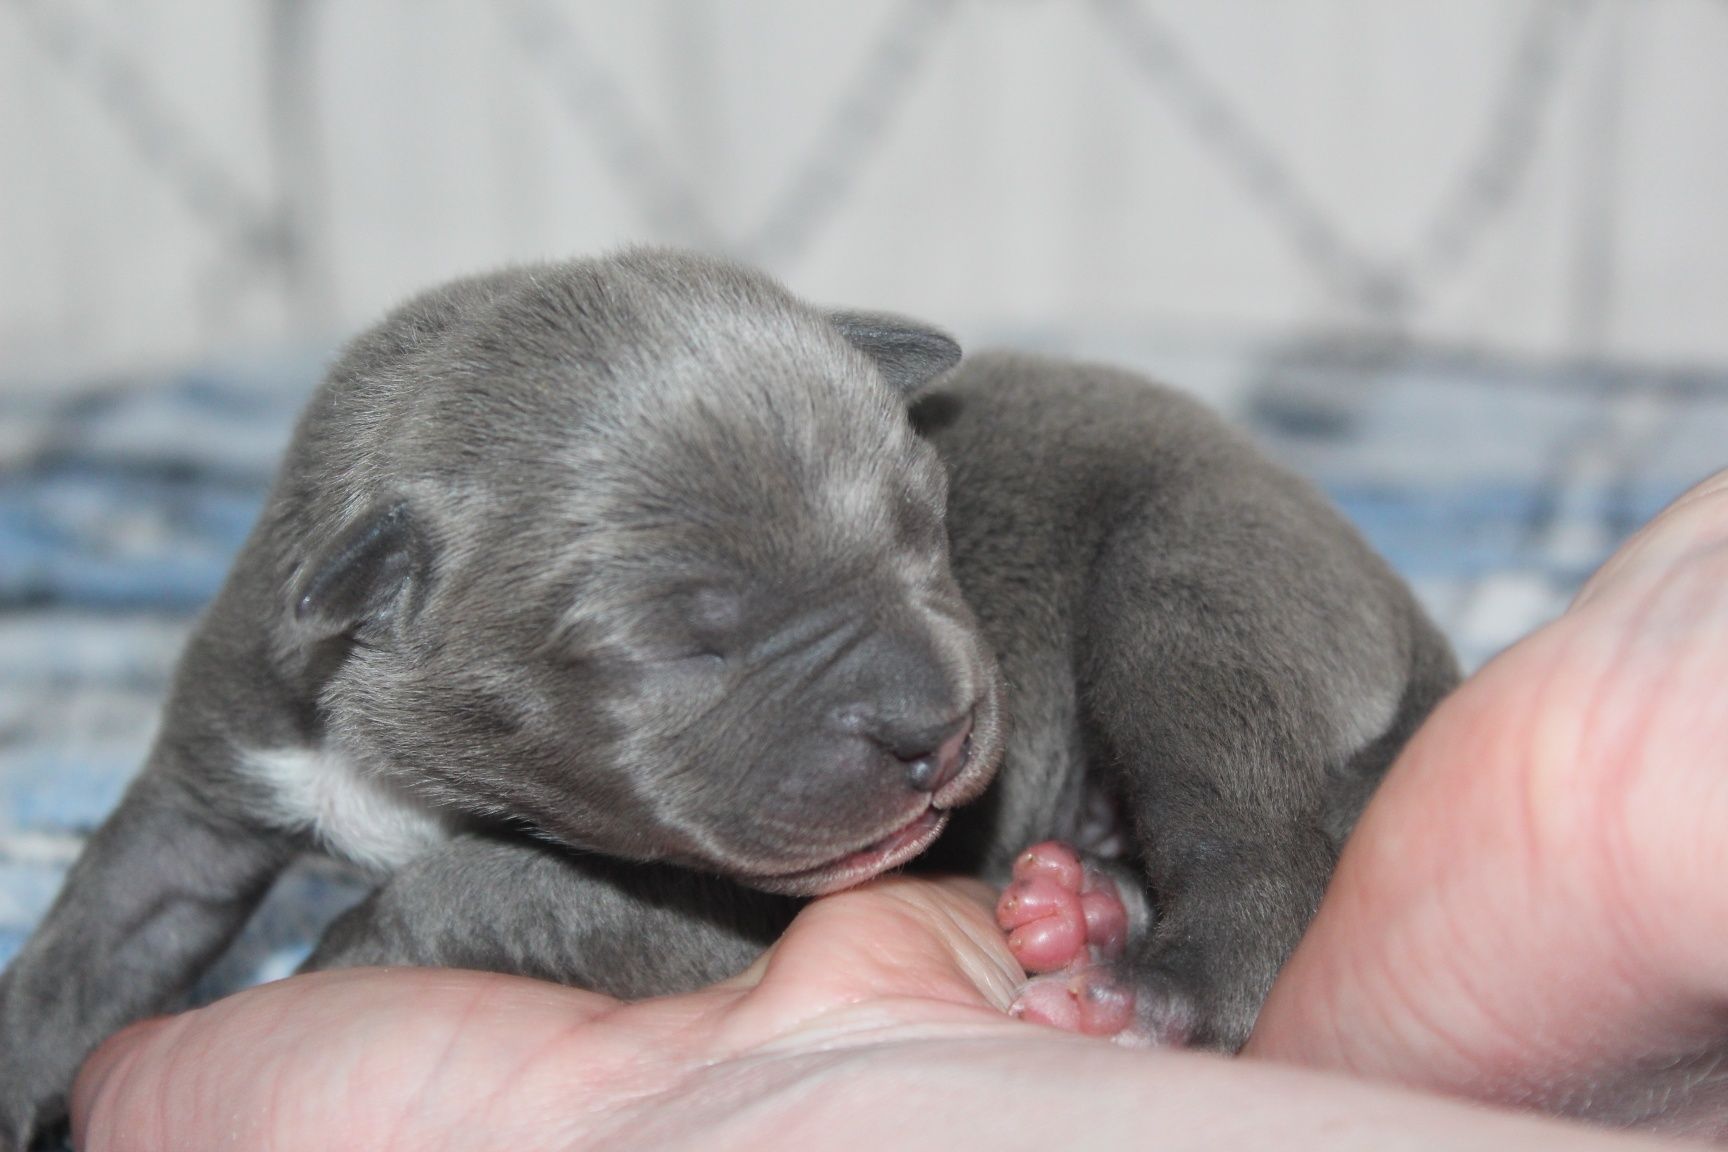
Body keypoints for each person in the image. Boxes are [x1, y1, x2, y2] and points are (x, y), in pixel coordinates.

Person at [71, 471, 1728, 1151]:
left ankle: (1255, 923)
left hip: (1195, 573)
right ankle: (1249, 919)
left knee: (1201, 649)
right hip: (1018, 864)